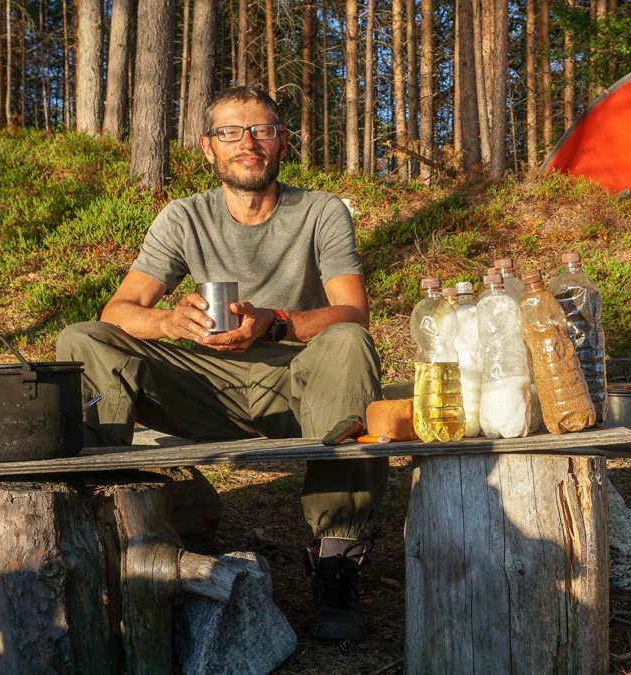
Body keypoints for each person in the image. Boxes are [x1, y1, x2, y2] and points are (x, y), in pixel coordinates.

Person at [56, 86, 386, 642]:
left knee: (349, 340)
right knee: (84, 338)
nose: (247, 142)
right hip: (205, 387)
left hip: (297, 387)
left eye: (261, 130)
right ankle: (103, 528)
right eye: (230, 132)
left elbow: (353, 310)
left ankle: (337, 567)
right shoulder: (184, 217)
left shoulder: (320, 210)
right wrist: (165, 323)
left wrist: (275, 321)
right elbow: (117, 310)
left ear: (282, 143)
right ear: (208, 148)